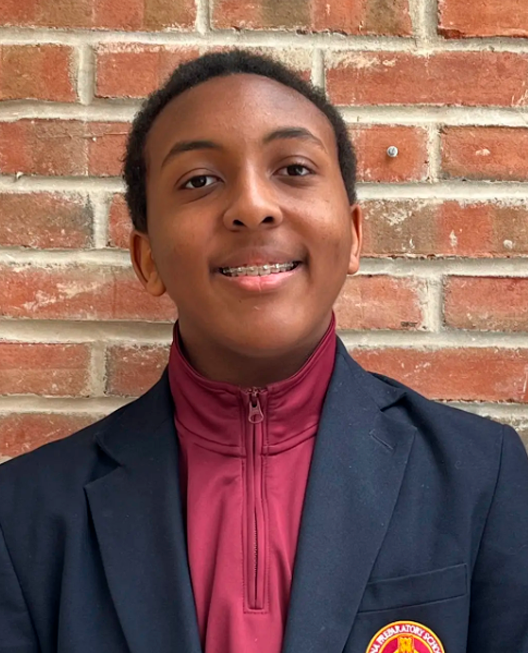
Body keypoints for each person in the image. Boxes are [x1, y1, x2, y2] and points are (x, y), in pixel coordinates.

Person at [0, 49, 527, 653]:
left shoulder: (481, 476)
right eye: (199, 181)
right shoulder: (25, 517)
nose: (253, 206)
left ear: (354, 235)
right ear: (148, 260)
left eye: (294, 169)